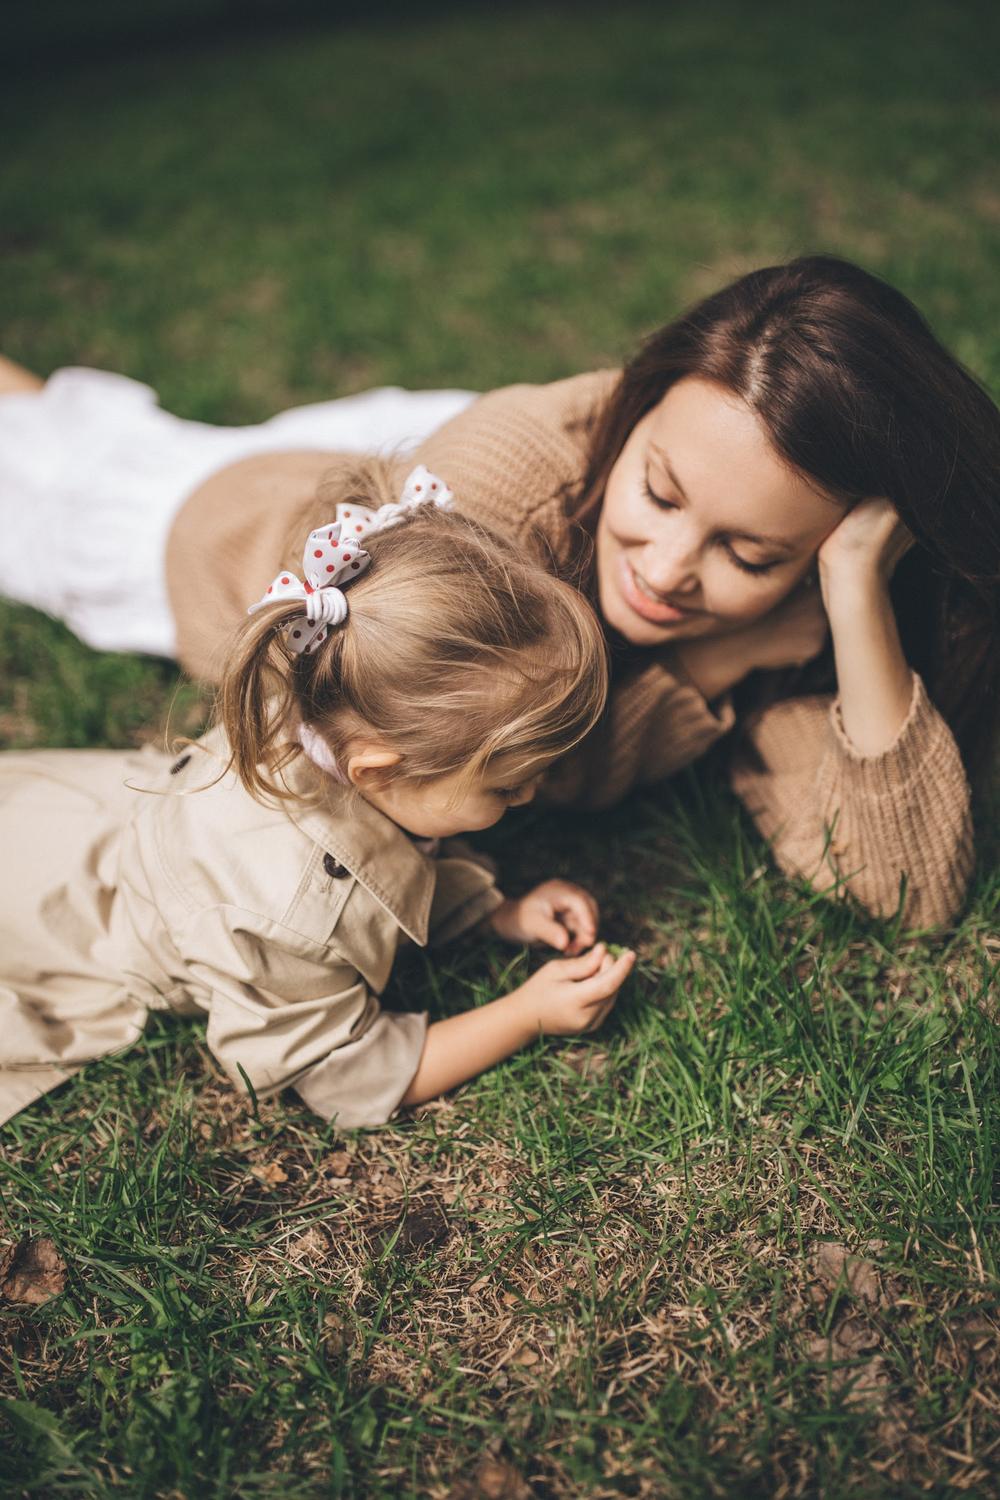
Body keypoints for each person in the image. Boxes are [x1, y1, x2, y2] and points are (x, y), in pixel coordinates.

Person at [1, 256, 993, 928]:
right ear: (637, 399)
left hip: (396, 461)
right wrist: (709, 661)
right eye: (657, 490)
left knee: (86, 432)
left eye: (748, 555)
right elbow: (484, 755)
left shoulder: (821, 577)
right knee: (61, 468)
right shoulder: (504, 479)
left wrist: (857, 595)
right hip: (213, 533)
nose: (662, 569)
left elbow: (903, 887)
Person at [0, 465, 634, 1129]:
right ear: (377, 772)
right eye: (506, 785)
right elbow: (343, 1075)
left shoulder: (329, 710)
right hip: (50, 920)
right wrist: (525, 1014)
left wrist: (497, 912)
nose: (533, 794)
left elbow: (387, 870)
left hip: (72, 819)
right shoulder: (287, 914)